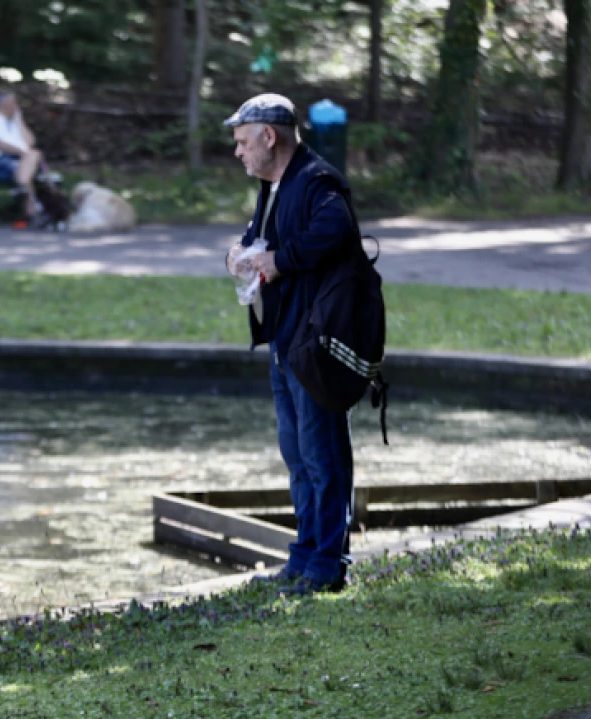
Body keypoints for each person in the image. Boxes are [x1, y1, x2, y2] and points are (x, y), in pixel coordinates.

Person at [227, 93, 361, 596]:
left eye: (243, 142)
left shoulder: (317, 179)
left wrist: (281, 261)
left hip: (317, 344)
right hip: (287, 342)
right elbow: (256, 238)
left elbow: (337, 229)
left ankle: (327, 565)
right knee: (298, 455)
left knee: (323, 456)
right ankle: (304, 556)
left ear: (270, 136)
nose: (238, 152)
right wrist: (237, 256)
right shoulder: (274, 184)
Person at [0, 92, 44, 219]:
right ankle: (31, 205)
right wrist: (23, 152)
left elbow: (30, 142)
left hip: (20, 161)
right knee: (28, 162)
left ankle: (23, 189)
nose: (16, 106)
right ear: (3, 104)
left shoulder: (14, 123)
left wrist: (19, 120)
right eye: (14, 102)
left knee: (33, 155)